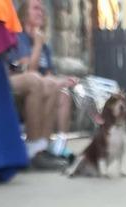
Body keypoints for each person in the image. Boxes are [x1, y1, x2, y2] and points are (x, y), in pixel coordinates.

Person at [6, 0, 76, 167]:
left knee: (57, 86)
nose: (41, 12)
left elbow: (50, 74)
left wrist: (64, 81)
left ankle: (45, 147)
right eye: (36, 8)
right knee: (40, 81)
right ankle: (35, 147)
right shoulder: (20, 37)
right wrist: (37, 45)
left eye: (43, 9)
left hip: (40, 84)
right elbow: (28, 70)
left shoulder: (44, 43)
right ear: (24, 14)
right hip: (18, 83)